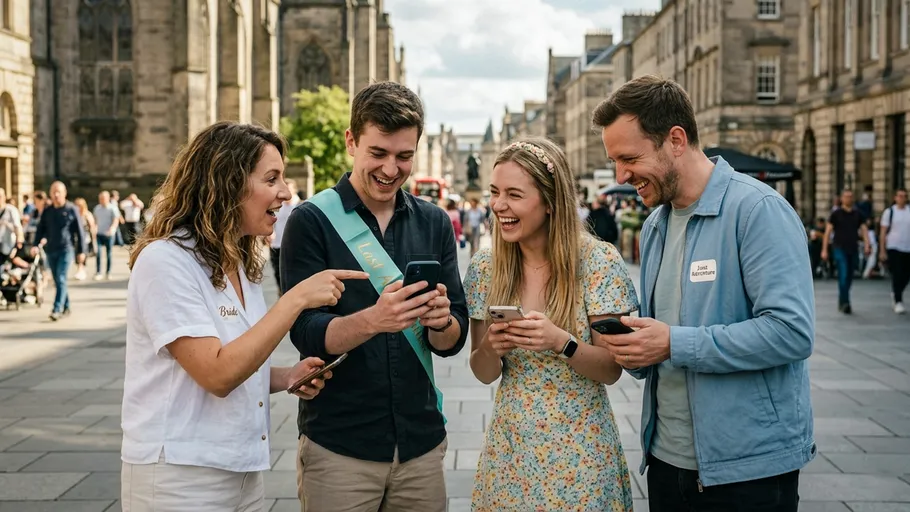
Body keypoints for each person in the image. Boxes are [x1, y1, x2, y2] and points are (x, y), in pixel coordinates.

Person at [592, 75, 816, 511]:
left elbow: (792, 332)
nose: (621, 175)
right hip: (665, 462)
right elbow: (663, 342)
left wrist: (673, 342)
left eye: (630, 157)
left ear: (676, 139)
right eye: (615, 161)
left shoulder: (757, 210)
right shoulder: (657, 224)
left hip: (749, 471)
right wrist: (632, 346)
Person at [120, 121, 368, 511]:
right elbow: (216, 374)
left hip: (241, 470)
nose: (286, 193)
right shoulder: (166, 261)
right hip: (179, 477)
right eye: (272, 179)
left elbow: (234, 358)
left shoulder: (239, 259)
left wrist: (287, 377)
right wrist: (294, 300)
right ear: (226, 184)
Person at [280, 81, 468, 512]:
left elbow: (452, 339)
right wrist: (374, 319)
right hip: (341, 445)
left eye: (404, 156)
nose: (390, 169)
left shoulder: (434, 222)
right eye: (378, 153)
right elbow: (304, 332)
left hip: (421, 444)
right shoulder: (310, 221)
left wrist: (441, 320)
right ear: (351, 142)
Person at [465, 137, 638, 511]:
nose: (499, 205)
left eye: (514, 194)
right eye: (495, 192)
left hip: (582, 454)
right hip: (510, 453)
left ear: (549, 202)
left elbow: (611, 370)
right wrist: (492, 348)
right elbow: (482, 372)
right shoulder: (486, 267)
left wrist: (562, 342)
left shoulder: (597, 262)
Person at [32, 181, 86, 321]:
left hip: (66, 249)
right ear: (50, 194)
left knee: (61, 278)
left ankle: (57, 309)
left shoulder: (71, 209)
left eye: (58, 192)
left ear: (64, 193)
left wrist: (81, 251)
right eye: (53, 192)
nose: (56, 195)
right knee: (58, 280)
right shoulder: (48, 211)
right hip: (51, 249)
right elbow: (40, 229)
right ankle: (66, 305)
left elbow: (80, 232)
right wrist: (35, 244)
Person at [822, 189, 871, 314]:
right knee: (843, 274)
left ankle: (842, 298)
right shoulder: (836, 214)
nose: (848, 199)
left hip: (853, 248)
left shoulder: (858, 214)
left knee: (849, 276)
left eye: (850, 196)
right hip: (839, 248)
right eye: (846, 196)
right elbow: (827, 232)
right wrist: (824, 250)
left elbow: (864, 230)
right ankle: (846, 303)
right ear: (842, 198)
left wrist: (867, 245)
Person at [880, 188, 910, 314]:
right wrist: (882, 250)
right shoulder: (890, 212)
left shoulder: (909, 211)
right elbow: (883, 232)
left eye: (904, 196)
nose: (902, 198)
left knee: (906, 275)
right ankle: (898, 301)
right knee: (897, 273)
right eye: (900, 196)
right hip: (893, 246)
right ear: (895, 197)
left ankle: (896, 292)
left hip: (907, 247)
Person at [268, 179, 300, 293]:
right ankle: (282, 297)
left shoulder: (301, 205)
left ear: (294, 190)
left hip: (294, 247)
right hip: (276, 245)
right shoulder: (278, 206)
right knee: (278, 275)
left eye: (289, 189)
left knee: (293, 276)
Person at [93, 191, 121, 280]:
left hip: (109, 234)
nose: (101, 200)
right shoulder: (97, 208)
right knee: (98, 253)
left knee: (109, 253)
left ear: (108, 198)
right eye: (100, 199)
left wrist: (112, 229)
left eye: (103, 198)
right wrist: (95, 228)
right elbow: (96, 220)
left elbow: (116, 220)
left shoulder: (113, 208)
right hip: (99, 233)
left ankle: (108, 272)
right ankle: (98, 272)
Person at [72, 197, 96, 281]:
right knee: (76, 254)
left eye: (79, 205)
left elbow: (92, 227)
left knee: (82, 254)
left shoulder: (87, 214)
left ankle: (81, 270)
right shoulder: (74, 215)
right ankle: (80, 269)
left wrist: (94, 239)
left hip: (85, 238)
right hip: (75, 238)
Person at [0, 187, 23, 266]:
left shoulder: (11, 210)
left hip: (8, 244)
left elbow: (18, 227)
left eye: (0, 196)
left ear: (4, 197)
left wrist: (19, 241)